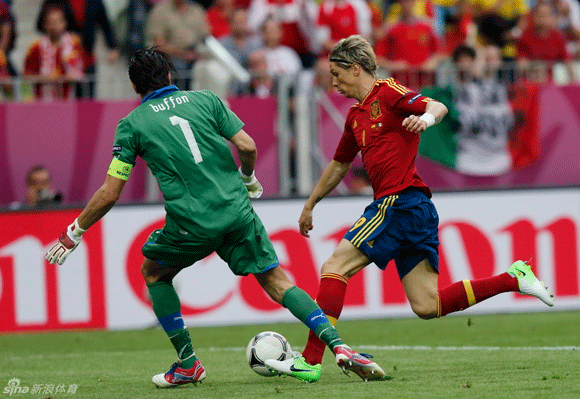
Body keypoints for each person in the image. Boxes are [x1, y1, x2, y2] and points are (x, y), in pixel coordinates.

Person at [44, 48, 385, 387]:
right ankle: (340, 347)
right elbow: (248, 146)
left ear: (136, 88)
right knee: (278, 282)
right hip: (237, 212)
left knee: (153, 272)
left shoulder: (132, 125)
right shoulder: (206, 100)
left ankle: (189, 363)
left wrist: (74, 232)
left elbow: (110, 192)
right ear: (170, 77)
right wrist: (249, 179)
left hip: (191, 223)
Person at [265, 35, 554, 382]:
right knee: (427, 305)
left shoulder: (387, 92)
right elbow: (340, 165)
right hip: (414, 208)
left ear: (355, 69)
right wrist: (310, 204)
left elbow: (437, 106)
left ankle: (310, 361)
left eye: (337, 73)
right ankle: (514, 278)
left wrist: (426, 120)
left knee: (334, 267)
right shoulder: (355, 116)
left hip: (398, 201)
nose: (334, 82)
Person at [24, 4, 85, 100]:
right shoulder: (36, 47)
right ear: (44, 25)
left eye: (57, 22)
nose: (54, 26)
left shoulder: (73, 44)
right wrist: (44, 78)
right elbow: (26, 76)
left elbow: (79, 72)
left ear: (64, 23)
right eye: (50, 22)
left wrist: (63, 78)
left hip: (65, 101)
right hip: (41, 102)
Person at [146, 0, 209, 90]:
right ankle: (180, 100)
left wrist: (199, 54)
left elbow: (206, 38)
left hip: (195, 53)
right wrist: (185, 55)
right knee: (179, 68)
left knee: (211, 68)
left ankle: (206, 100)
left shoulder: (197, 10)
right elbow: (159, 45)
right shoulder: (160, 11)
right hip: (170, 55)